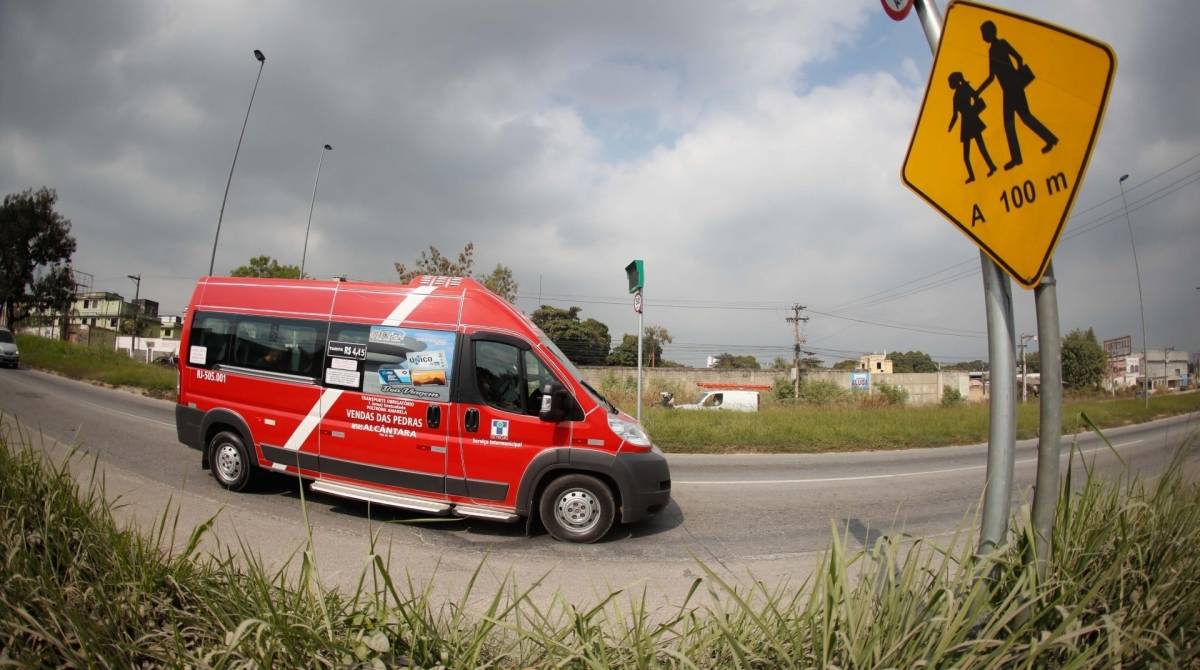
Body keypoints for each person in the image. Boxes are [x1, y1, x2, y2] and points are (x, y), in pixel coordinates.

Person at [977, 20, 1057, 170]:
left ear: (990, 32)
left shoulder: (1001, 44)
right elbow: (992, 76)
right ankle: (1019, 156)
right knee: (1014, 122)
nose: (982, 36)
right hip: (1008, 91)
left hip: (1013, 89)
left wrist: (1017, 77)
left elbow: (1018, 58)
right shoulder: (992, 50)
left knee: (1023, 119)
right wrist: (978, 91)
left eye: (983, 33)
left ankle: (1047, 141)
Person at [947, 71, 997, 184]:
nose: (949, 84)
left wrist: (951, 126)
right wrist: (950, 128)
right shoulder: (960, 92)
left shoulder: (961, 91)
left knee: (976, 149)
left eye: (950, 82)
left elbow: (956, 115)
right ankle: (980, 172)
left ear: (955, 81)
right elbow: (956, 115)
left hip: (969, 121)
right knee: (976, 149)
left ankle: (988, 169)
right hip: (969, 121)